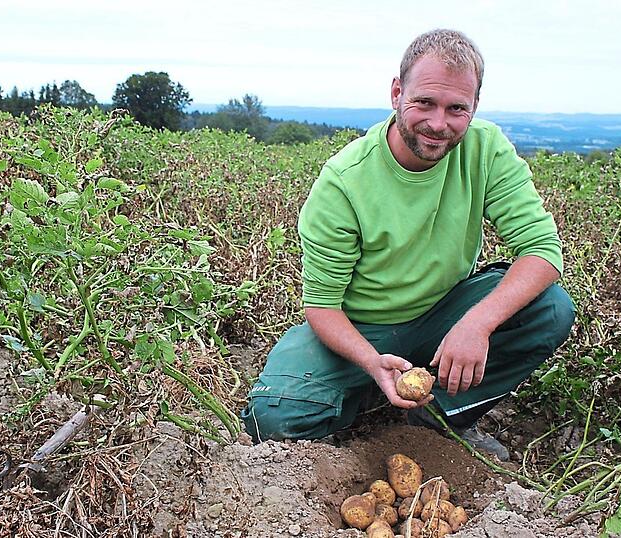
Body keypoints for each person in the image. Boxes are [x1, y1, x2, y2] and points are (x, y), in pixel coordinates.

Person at [240, 29, 576, 461]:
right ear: (397, 93)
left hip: (446, 311)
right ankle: (371, 394)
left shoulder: (486, 148)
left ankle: (437, 421)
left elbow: (542, 251)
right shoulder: (345, 182)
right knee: (274, 416)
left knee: (550, 308)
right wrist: (369, 362)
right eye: (425, 103)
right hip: (362, 326)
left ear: (474, 106)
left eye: (457, 108)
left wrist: (476, 324)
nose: (439, 124)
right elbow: (322, 306)